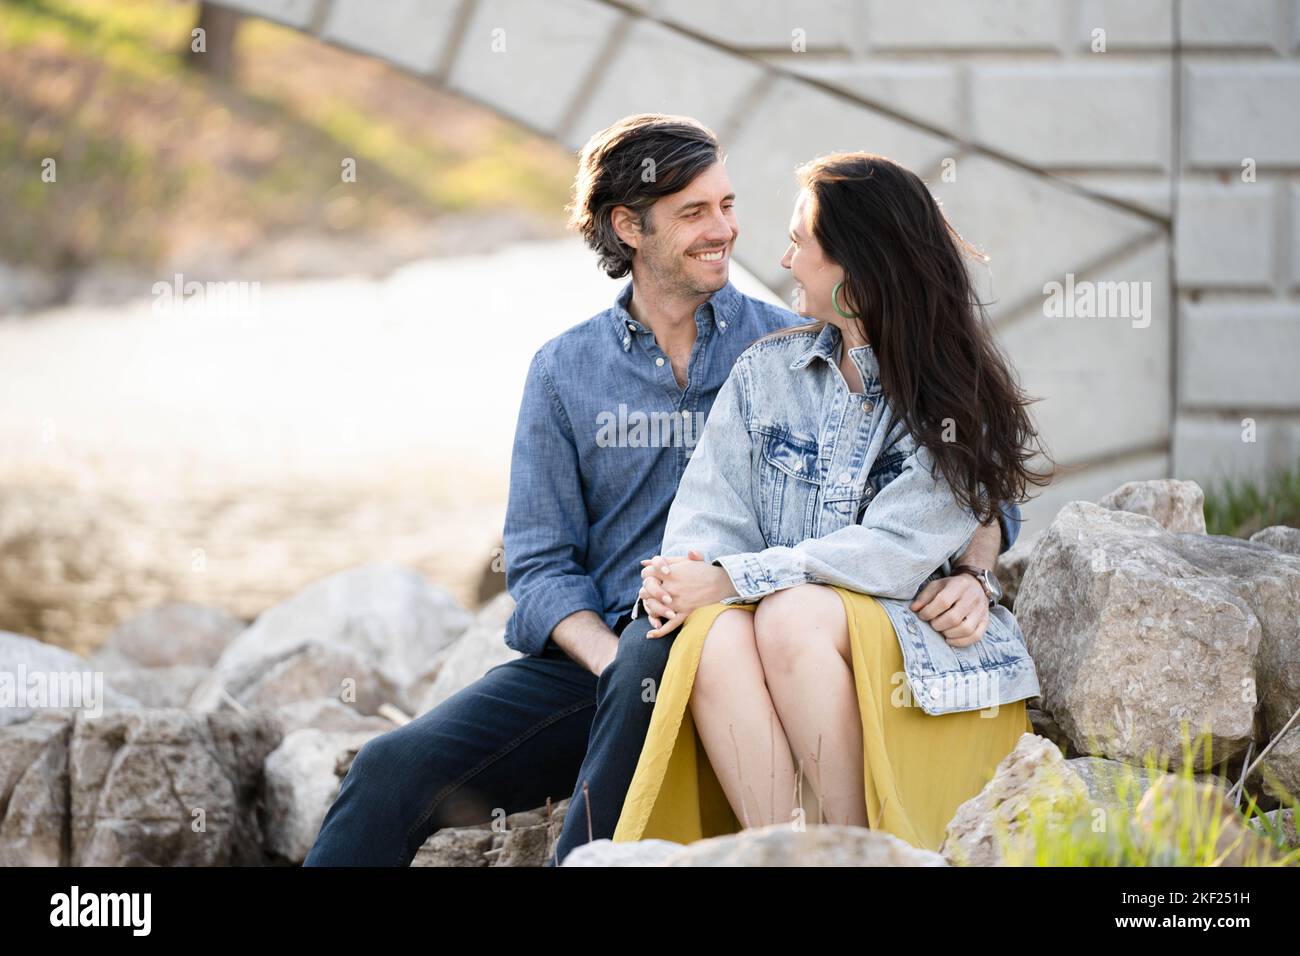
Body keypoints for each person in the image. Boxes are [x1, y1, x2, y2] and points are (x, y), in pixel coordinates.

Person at [303, 117, 1021, 867]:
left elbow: (964, 472)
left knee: (666, 652)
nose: (726, 231)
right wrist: (610, 659)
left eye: (728, 206)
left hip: (737, 640)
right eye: (695, 213)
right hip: (599, 661)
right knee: (390, 769)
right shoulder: (565, 371)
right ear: (628, 226)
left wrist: (975, 567)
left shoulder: (793, 345)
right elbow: (540, 565)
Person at [615, 151, 1052, 853]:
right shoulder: (766, 372)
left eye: (800, 242)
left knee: (791, 615)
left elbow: (893, 555)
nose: (785, 259)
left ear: (855, 264)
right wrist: (685, 573)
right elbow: (705, 519)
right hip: (784, 646)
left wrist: (733, 578)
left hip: (919, 652)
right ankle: (786, 852)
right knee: (712, 636)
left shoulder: (953, 395)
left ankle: (854, 850)